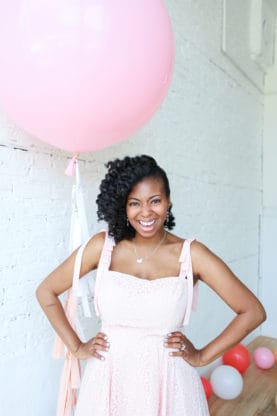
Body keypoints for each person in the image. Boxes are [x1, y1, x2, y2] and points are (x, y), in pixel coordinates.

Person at [36, 154, 266, 416]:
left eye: (155, 201)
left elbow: (252, 311)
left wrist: (202, 356)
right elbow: (46, 292)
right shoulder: (102, 247)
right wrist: (77, 347)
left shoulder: (192, 254)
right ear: (122, 205)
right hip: (109, 380)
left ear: (168, 202)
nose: (146, 212)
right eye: (135, 203)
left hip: (170, 384)